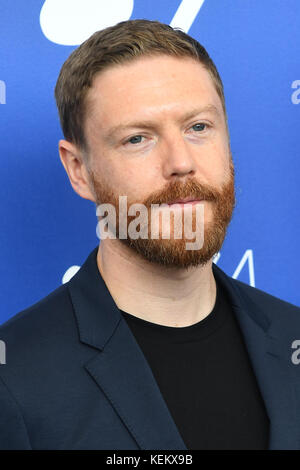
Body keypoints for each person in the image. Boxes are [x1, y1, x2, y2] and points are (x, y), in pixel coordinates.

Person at [0, 19, 299, 451]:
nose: (180, 162)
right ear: (78, 170)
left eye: (198, 127)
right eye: (138, 138)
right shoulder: (15, 378)